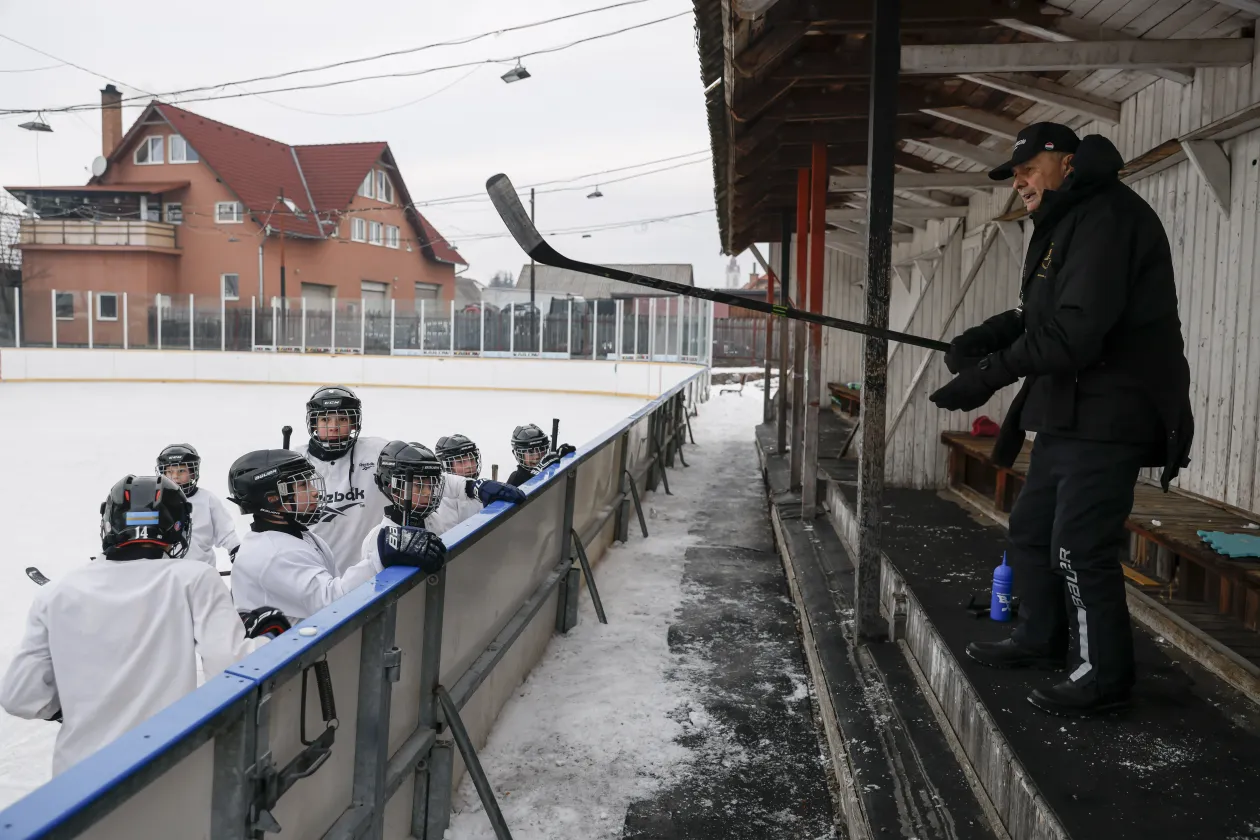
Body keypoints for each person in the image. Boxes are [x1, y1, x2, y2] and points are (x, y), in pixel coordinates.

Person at [928, 123, 1193, 717]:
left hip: (1110, 412)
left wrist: (987, 374)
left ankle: (1103, 676)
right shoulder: (1062, 223)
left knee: (1079, 547)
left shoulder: (1107, 218)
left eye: (1027, 168)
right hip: (1067, 411)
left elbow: (1074, 334)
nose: (1018, 181)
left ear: (1067, 163)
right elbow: (1036, 313)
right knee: (1031, 530)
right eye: (1014, 174)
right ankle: (1038, 637)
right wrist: (985, 337)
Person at [0, 475, 278, 775]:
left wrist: (69, 704)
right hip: (162, 770)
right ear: (180, 526)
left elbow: (20, 697)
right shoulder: (194, 578)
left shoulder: (55, 594)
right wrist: (270, 637)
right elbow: (231, 666)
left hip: (75, 778)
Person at [229, 449, 386, 622]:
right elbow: (333, 602)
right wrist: (380, 557)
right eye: (304, 485)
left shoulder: (299, 536)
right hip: (286, 648)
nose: (314, 492)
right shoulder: (274, 554)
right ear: (272, 498)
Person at [295, 385, 389, 576]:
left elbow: (423, 471)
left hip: (368, 575)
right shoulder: (294, 461)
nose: (333, 426)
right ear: (313, 423)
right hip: (313, 576)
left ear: (354, 423)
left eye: (343, 419)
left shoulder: (379, 452)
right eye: (324, 419)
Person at [157, 443, 240, 569]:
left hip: (201, 573)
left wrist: (236, 551)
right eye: (169, 471)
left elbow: (226, 533)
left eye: (181, 471)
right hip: (168, 574)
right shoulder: (157, 502)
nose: (175, 476)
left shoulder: (207, 499)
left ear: (193, 473)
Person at [505, 424, 576, 488]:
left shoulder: (547, 469)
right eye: (530, 451)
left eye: (541, 449)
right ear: (518, 454)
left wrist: (560, 458)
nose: (537, 456)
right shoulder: (515, 479)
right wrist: (538, 472)